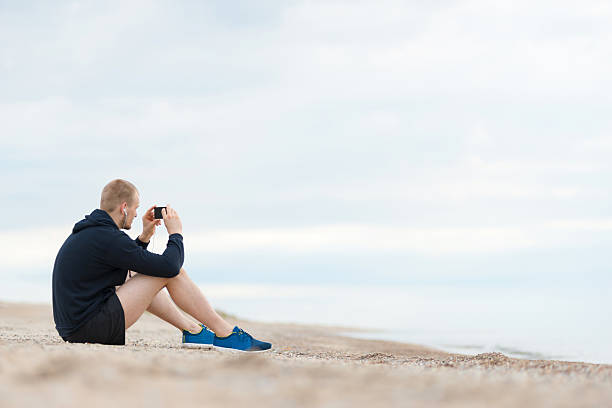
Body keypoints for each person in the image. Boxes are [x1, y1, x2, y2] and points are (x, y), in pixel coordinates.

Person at [51, 178, 271, 352]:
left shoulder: (95, 233)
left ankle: (193, 331)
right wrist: (176, 233)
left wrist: (145, 235)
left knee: (140, 274)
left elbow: (129, 262)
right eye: (136, 208)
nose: (137, 214)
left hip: (77, 327)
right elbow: (169, 267)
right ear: (124, 207)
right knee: (170, 273)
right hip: (89, 328)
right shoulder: (107, 237)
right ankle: (225, 333)